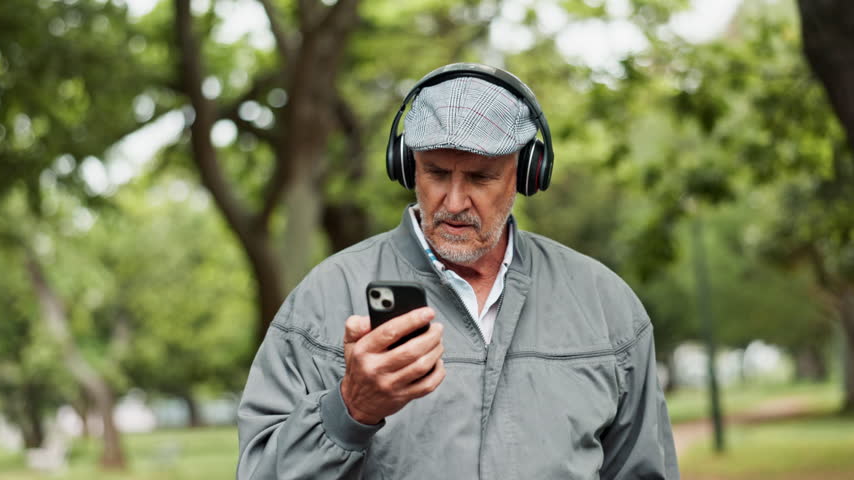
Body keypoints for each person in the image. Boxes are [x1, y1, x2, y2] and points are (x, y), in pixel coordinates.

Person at [236, 63, 679, 479]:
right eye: (436, 172)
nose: (453, 202)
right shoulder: (325, 298)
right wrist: (350, 408)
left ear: (527, 173)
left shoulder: (604, 303)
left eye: (481, 178)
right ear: (405, 164)